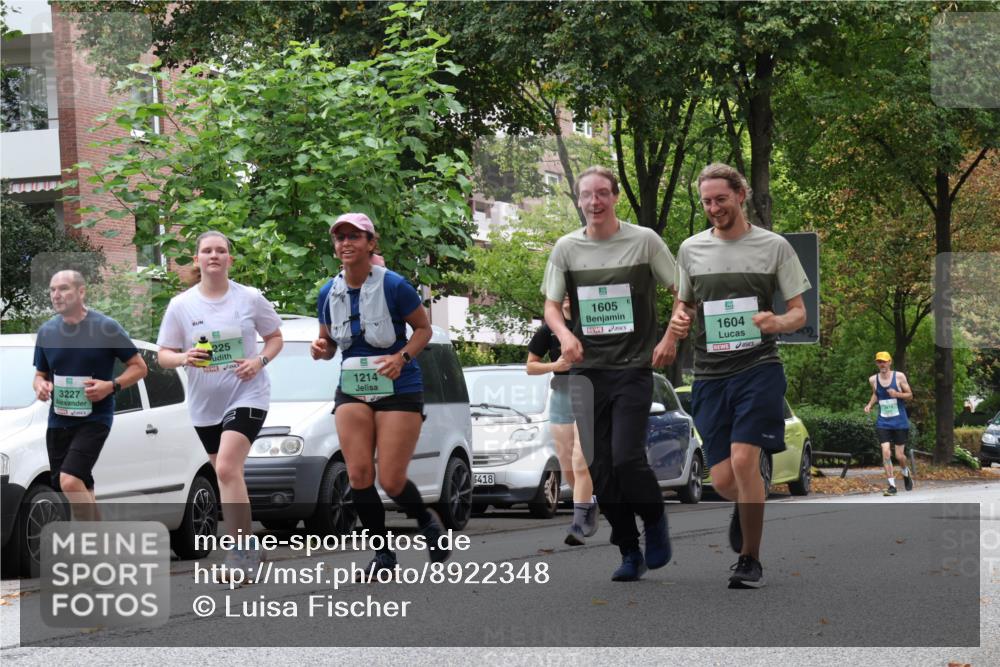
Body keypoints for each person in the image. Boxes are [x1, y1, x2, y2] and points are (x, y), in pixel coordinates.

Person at [669, 163, 811, 589]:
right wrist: (678, 323)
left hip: (758, 368)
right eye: (707, 202)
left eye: (721, 199)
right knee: (727, 480)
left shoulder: (774, 247)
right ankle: (747, 502)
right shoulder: (690, 250)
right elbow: (685, 306)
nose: (714, 208)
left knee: (747, 461)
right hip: (710, 375)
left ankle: (750, 559)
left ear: (741, 195)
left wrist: (777, 323)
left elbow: (800, 313)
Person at [541, 166, 679, 582]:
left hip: (633, 368)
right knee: (600, 469)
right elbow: (551, 305)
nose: (595, 201)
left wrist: (670, 338)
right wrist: (564, 334)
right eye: (587, 195)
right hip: (587, 373)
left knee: (626, 459)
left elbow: (682, 290)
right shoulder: (566, 248)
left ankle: (654, 520)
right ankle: (628, 550)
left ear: (615, 197)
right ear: (578, 200)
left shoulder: (644, 241)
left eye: (603, 193)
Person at [310, 212, 449, 578]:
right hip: (353, 387)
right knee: (358, 474)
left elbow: (423, 329)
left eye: (355, 236)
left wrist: (402, 358)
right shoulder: (328, 292)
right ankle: (383, 554)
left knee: (390, 479)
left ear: (371, 243)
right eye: (340, 238)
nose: (346, 243)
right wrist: (320, 349)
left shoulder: (395, 285)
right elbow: (327, 343)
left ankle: (426, 520)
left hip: (398, 386)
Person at [157, 231, 284, 575]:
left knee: (227, 468)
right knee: (227, 474)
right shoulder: (181, 305)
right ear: (196, 260)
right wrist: (185, 356)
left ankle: (240, 553)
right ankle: (251, 548)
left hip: (248, 393)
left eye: (221, 250)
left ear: (230, 259)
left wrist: (259, 361)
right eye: (206, 251)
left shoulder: (250, 298)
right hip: (204, 405)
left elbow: (274, 338)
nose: (214, 255)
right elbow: (163, 356)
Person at [33, 270, 148, 521]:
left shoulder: (105, 327)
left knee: (70, 480)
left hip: (95, 418)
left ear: (81, 291)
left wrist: (111, 385)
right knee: (82, 485)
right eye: (52, 290)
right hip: (59, 420)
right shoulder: (46, 332)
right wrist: (40, 386)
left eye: (63, 289)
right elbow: (40, 374)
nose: (56, 295)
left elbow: (140, 367)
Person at [526, 295, 598, 545]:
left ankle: (578, 524)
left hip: (587, 392)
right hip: (560, 396)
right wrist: (554, 365)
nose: (566, 295)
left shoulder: (588, 322)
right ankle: (589, 504)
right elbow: (530, 366)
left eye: (570, 290)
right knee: (568, 466)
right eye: (562, 291)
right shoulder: (548, 329)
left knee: (581, 460)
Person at [864, 351, 914, 495]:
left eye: (884, 361)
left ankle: (905, 471)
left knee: (899, 456)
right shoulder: (873, 379)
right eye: (879, 362)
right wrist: (870, 405)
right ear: (876, 364)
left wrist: (897, 394)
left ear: (890, 362)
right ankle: (892, 486)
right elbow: (876, 393)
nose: (882, 364)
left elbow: (910, 395)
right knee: (885, 452)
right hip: (883, 422)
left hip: (899, 422)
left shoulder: (899, 377)